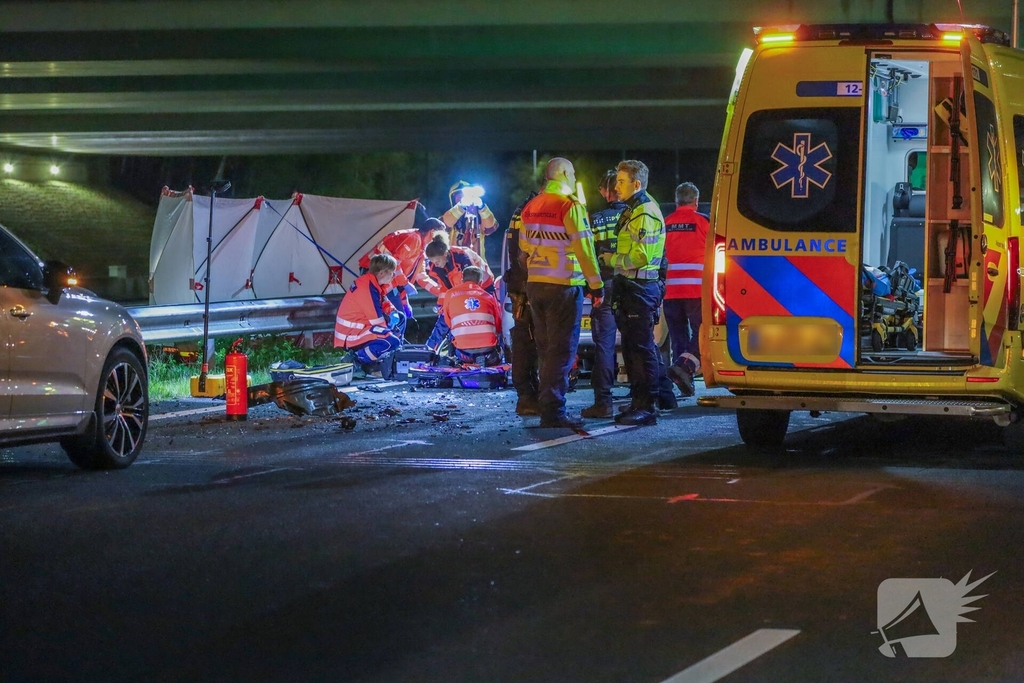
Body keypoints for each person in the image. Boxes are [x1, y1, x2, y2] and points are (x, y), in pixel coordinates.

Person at [520, 157, 604, 429]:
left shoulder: (530, 207)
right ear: (565, 174)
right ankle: (554, 411)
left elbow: (524, 247)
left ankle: (548, 405)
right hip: (564, 285)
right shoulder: (570, 206)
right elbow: (584, 249)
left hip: (536, 283)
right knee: (563, 349)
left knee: (546, 348)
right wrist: (596, 284)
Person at [602, 159, 666, 426]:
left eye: (621, 181)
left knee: (640, 349)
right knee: (632, 347)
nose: (616, 186)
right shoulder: (636, 208)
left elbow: (641, 256)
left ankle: (647, 406)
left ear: (636, 184)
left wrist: (611, 260)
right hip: (633, 288)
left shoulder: (644, 212)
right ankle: (639, 401)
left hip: (640, 287)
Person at [581, 170, 628, 418]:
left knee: (605, 346)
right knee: (640, 344)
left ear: (606, 191)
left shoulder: (595, 218)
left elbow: (588, 255)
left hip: (605, 288)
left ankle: (604, 401)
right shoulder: (633, 215)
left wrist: (591, 287)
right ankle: (656, 396)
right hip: (631, 286)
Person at [662, 182, 709, 397]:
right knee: (702, 333)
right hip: (696, 289)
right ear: (696, 201)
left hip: (670, 290)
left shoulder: (666, 222)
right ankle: (685, 367)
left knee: (678, 336)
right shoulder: (703, 221)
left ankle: (682, 379)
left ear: (676, 200)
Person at [358, 217, 446, 328]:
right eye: (440, 236)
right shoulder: (414, 240)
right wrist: (405, 284)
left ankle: (392, 342)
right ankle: (391, 343)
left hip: (381, 275)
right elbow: (395, 264)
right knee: (396, 318)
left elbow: (421, 277)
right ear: (432, 232)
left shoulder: (420, 249)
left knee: (397, 317)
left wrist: (442, 292)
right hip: (373, 273)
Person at [334, 254, 406, 375]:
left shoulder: (373, 283)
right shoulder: (368, 287)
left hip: (360, 329)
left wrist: (393, 312)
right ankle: (357, 360)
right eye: (392, 272)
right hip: (350, 335)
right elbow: (377, 321)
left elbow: (384, 303)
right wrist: (390, 332)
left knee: (401, 318)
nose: (393, 276)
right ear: (382, 273)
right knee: (390, 341)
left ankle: (388, 357)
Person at [422, 233, 495, 352]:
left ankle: (493, 347)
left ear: (445, 254)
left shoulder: (462, 257)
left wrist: (456, 301)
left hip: (482, 287)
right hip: (461, 290)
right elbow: (445, 289)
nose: (436, 264)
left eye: (438, 261)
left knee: (477, 315)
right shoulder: (435, 267)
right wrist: (442, 305)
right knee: (445, 316)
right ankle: (431, 349)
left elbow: (473, 281)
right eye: (433, 262)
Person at [504, 189, 541, 415]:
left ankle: (527, 394)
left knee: (523, 341)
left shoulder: (519, 212)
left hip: (519, 284)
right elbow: (525, 255)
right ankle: (529, 394)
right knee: (533, 342)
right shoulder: (534, 212)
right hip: (531, 284)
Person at [441, 266, 503, 366]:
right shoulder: (489, 297)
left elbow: (449, 322)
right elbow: (499, 326)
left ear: (462, 280)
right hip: (488, 353)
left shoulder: (450, 294)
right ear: (481, 282)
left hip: (464, 354)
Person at [441, 180, 498, 255]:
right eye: (460, 197)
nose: (465, 199)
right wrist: (461, 206)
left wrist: (482, 207)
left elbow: (490, 227)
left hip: (476, 264)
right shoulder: (449, 218)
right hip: (455, 264)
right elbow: (444, 223)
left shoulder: (480, 218)